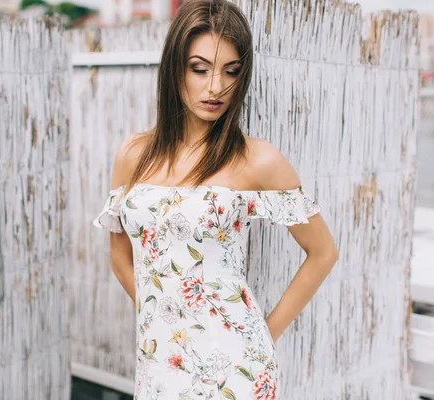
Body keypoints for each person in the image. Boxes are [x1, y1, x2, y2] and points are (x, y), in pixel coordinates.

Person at [92, 0, 339, 398]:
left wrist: (260, 337)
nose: (216, 87)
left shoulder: (257, 160)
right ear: (175, 68)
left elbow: (323, 252)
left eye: (231, 72)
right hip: (160, 362)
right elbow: (120, 257)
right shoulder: (133, 154)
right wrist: (167, 319)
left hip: (236, 369)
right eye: (200, 68)